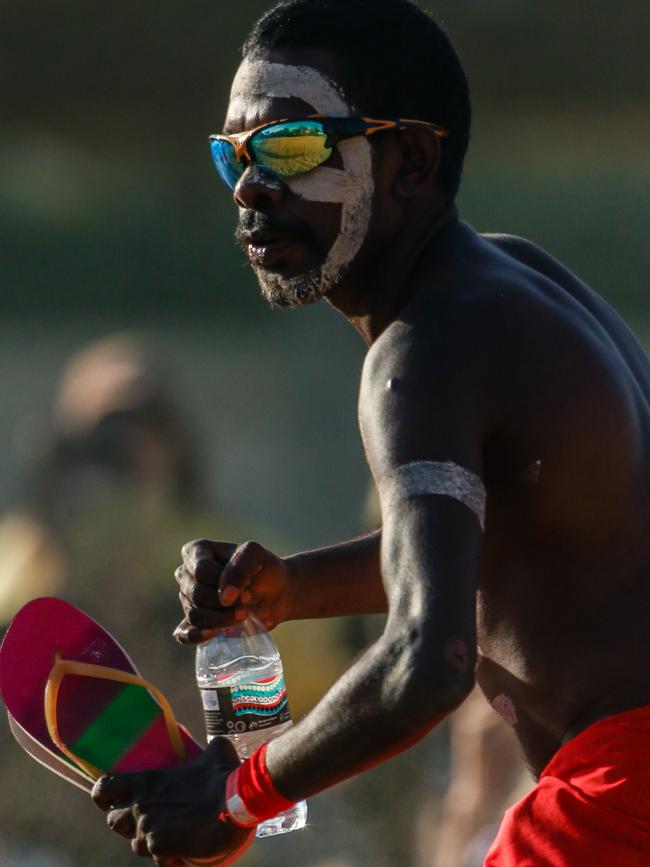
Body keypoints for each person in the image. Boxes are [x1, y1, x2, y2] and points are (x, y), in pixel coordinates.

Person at [92, 1, 650, 864]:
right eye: (231, 156)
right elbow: (511, 542)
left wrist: (235, 796)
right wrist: (292, 589)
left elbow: (430, 659)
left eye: (289, 147)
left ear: (411, 162)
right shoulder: (509, 283)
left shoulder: (420, 354)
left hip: (620, 794)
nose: (250, 187)